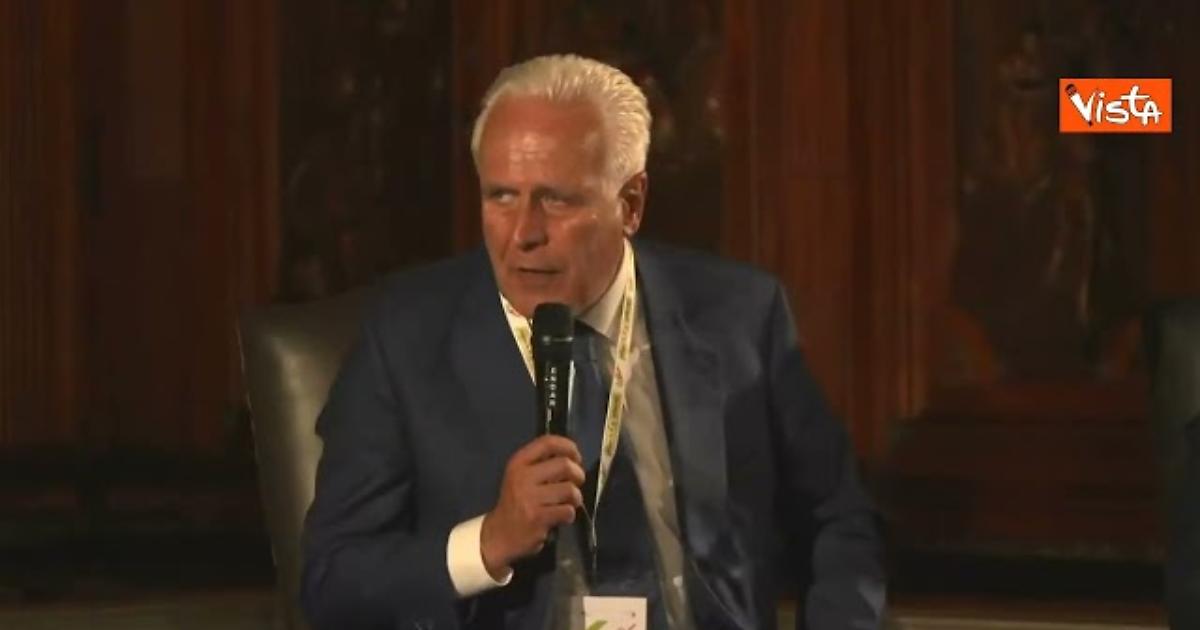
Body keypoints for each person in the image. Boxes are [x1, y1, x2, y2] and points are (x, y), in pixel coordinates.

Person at [301, 54, 885, 630]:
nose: (523, 234)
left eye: (556, 199)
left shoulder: (740, 315)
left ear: (630, 205)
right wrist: (488, 542)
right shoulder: (406, 336)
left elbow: (838, 519)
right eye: (501, 196)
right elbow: (332, 580)